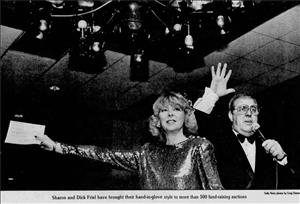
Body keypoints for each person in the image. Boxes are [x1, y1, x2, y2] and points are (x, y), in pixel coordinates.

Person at [34, 65, 233, 190]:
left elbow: (216, 191)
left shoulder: (199, 146)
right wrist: (57, 146)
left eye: (177, 109)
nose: (170, 113)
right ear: (157, 119)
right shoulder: (146, 153)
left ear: (186, 115)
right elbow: (103, 153)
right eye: (164, 110)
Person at [194, 63, 290, 189]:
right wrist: (212, 95)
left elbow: (290, 183)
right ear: (230, 115)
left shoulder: (270, 144)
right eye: (242, 108)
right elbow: (196, 123)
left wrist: (281, 157)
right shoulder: (218, 141)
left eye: (253, 109)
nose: (249, 113)